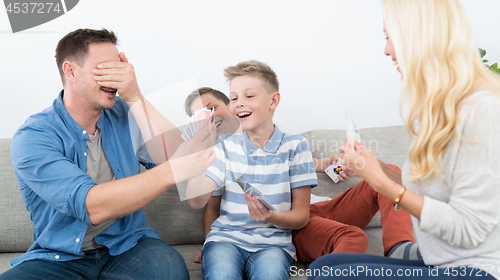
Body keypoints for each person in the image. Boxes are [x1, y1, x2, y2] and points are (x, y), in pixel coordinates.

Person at [0, 28, 215, 280]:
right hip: (60, 257)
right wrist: (172, 170)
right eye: (105, 69)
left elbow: (181, 156)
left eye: (120, 69)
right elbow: (91, 207)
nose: (116, 79)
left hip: (129, 246)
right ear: (70, 71)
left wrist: (135, 97)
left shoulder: (126, 114)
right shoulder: (34, 136)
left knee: (168, 269)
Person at [309, 0, 500, 279]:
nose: (386, 50)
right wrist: (376, 167)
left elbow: (468, 228)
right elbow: (427, 194)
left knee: (330, 274)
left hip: (474, 269)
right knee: (323, 268)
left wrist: (380, 181)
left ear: (419, 36)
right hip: (438, 259)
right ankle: (404, 251)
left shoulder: (479, 110)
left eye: (390, 37)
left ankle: (402, 250)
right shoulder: (437, 112)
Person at [186, 87, 418, 265]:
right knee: (353, 236)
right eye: (200, 116)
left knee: (391, 171)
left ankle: (400, 249)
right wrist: (209, 245)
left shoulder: (278, 138)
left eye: (211, 107)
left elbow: (316, 164)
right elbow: (212, 209)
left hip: (320, 208)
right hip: (292, 224)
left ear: (232, 103)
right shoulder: (218, 156)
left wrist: (337, 166)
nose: (208, 117)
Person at [185, 60, 317, 280]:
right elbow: (196, 201)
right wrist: (200, 151)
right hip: (224, 241)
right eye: (234, 98)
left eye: (249, 96)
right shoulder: (224, 146)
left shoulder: (296, 146)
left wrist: (271, 216)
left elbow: (302, 216)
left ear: (273, 101)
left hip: (274, 246)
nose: (238, 103)